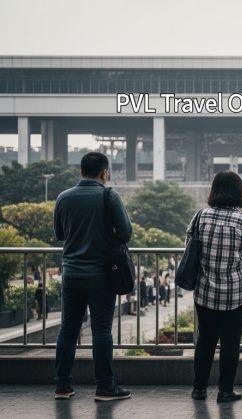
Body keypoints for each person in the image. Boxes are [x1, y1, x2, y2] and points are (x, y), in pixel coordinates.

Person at [52, 152, 132, 402]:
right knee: (101, 331)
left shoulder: (63, 197)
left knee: (67, 330)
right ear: (104, 173)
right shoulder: (109, 196)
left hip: (71, 274)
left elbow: (59, 234)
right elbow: (126, 233)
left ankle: (62, 386)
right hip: (101, 275)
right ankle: (105, 387)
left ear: (81, 171)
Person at [190, 171, 242, 403]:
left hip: (205, 291)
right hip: (237, 292)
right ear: (239, 192)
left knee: (205, 340)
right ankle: (225, 390)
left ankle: (199, 389)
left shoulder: (200, 217)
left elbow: (190, 247)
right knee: (230, 343)